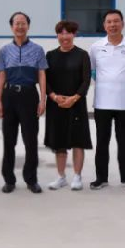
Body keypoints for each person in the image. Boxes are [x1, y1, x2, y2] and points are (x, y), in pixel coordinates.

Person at [88, 9, 125, 191]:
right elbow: (93, 71)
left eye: (116, 21)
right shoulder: (96, 47)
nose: (113, 25)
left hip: (124, 104)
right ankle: (101, 178)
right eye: (109, 22)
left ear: (122, 24)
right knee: (102, 142)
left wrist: (123, 83)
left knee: (124, 141)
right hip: (102, 103)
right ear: (104, 25)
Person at [0, 12, 48, 194]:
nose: (20, 26)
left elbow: (42, 74)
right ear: (12, 27)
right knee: (9, 140)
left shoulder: (38, 49)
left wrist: (43, 99)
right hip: (9, 95)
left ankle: (31, 179)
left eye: (23, 23)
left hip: (29, 95)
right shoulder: (4, 50)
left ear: (28, 26)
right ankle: (9, 180)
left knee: (30, 140)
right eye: (16, 23)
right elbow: (1, 75)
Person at [44, 20, 93, 191]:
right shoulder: (50, 55)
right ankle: (61, 177)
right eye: (61, 33)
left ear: (74, 34)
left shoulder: (82, 55)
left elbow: (86, 80)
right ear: (57, 35)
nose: (65, 36)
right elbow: (45, 80)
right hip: (55, 104)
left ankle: (77, 177)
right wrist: (53, 96)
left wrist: (74, 98)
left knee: (78, 141)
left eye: (68, 33)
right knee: (59, 142)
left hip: (76, 103)